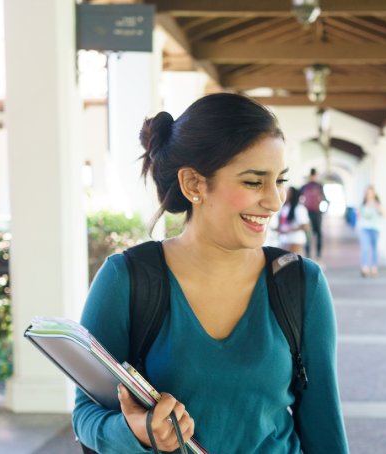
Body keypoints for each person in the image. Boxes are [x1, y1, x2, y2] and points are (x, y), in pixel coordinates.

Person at [73, 93, 348, 453]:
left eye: (279, 180)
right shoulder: (126, 279)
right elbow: (86, 414)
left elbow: (324, 427)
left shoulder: (300, 284)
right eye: (253, 182)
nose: (275, 200)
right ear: (193, 184)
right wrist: (136, 431)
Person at [357, 185, 384, 278]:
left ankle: (374, 267)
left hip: (375, 228)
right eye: (367, 193)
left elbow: (383, 213)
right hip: (365, 228)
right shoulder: (363, 204)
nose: (369, 194)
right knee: (365, 248)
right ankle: (364, 267)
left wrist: (376, 206)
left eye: (371, 193)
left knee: (374, 248)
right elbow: (359, 215)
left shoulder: (377, 203)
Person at [299, 168, 326, 259]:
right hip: (313, 213)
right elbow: (325, 199)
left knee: (314, 234)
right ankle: (314, 254)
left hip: (312, 213)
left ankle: (314, 254)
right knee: (312, 234)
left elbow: (325, 199)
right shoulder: (317, 186)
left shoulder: (305, 186)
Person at [279, 186, 311, 255]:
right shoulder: (285, 207)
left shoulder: (299, 208)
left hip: (296, 240)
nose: (285, 194)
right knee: (282, 262)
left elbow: (305, 226)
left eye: (288, 193)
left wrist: (289, 230)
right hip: (285, 239)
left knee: (287, 262)